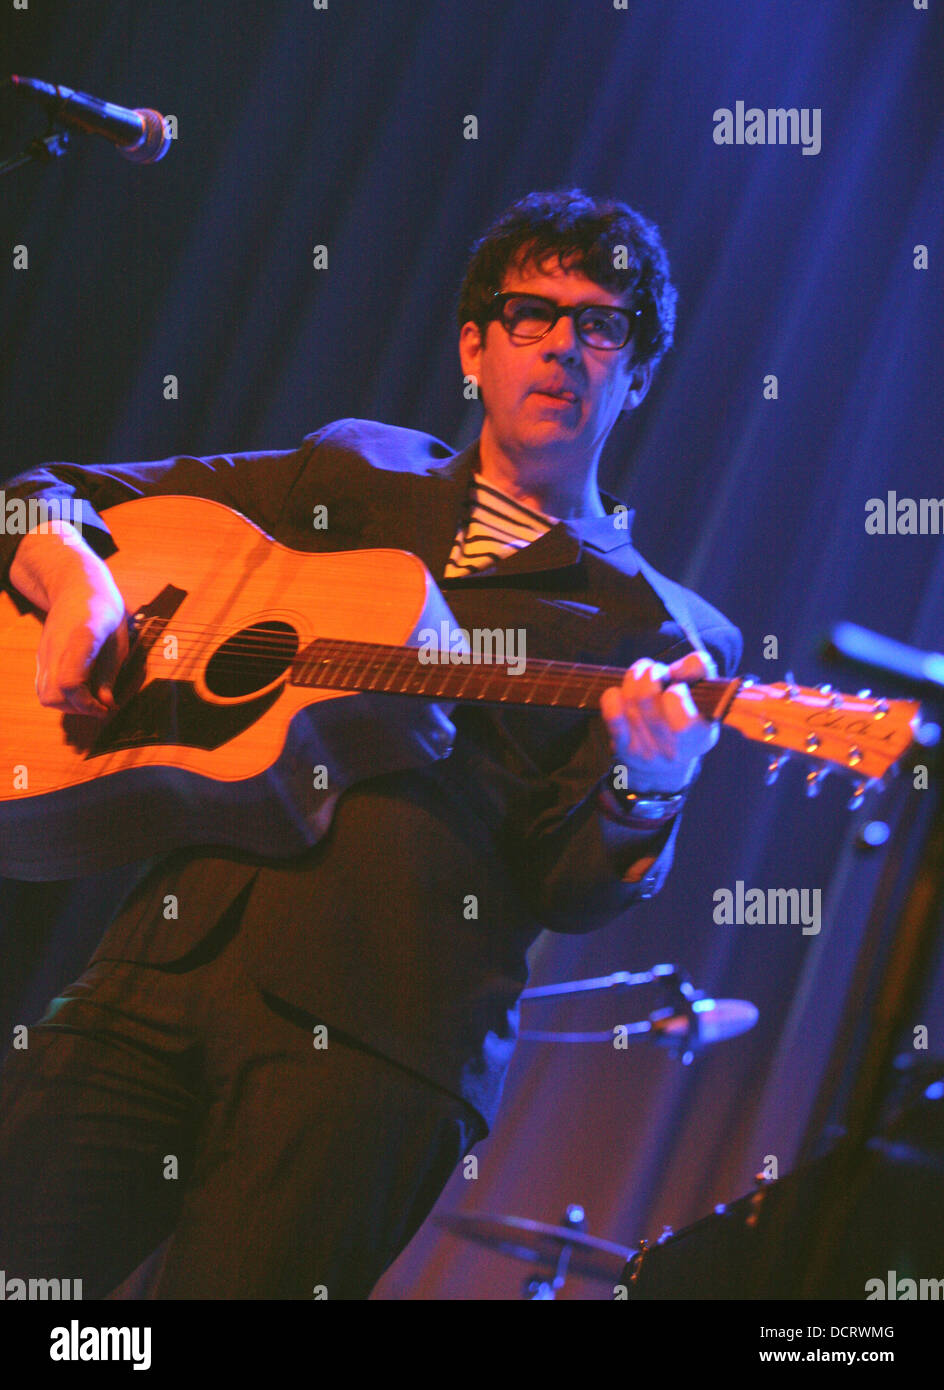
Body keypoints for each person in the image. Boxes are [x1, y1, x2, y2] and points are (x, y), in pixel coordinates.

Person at [0, 189, 741, 1299]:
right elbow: (36, 498)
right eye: (529, 314)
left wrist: (651, 786)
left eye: (601, 327)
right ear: (472, 348)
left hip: (379, 1054)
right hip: (163, 969)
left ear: (633, 375)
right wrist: (77, 588)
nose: (563, 348)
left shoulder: (666, 634)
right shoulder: (353, 471)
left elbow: (570, 884)